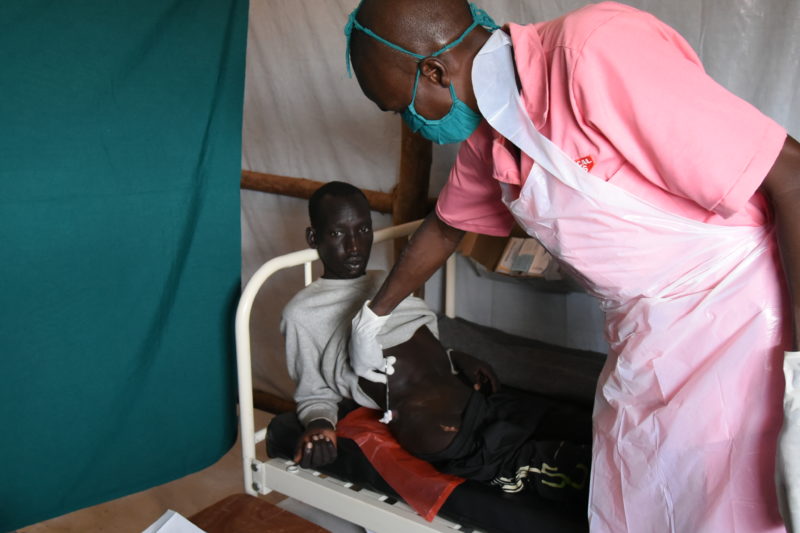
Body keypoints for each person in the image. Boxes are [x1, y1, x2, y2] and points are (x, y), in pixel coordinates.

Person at [343, 1, 800, 532]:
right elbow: (445, 227)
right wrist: (373, 316)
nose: (412, 124)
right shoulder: (488, 141)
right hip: (651, 333)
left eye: (402, 107)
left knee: (733, 503)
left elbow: (790, 173)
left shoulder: (592, 52)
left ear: (435, 71)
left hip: (741, 320)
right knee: (640, 489)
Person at [281, 180, 592, 501]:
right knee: (576, 471)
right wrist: (320, 425)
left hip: (473, 396)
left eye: (363, 230)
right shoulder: (303, 312)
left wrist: (454, 356)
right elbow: (313, 392)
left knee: (594, 431)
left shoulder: (388, 281)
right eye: (337, 234)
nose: (355, 246)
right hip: (440, 428)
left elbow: (418, 334)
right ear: (313, 238)